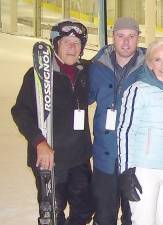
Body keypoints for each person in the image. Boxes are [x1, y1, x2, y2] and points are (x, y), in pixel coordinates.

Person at [11, 19, 93, 225]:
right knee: (53, 215)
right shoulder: (38, 76)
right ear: (56, 44)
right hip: (50, 158)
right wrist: (39, 142)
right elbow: (20, 111)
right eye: (66, 42)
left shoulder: (86, 72)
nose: (72, 47)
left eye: (77, 43)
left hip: (79, 157)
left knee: (85, 209)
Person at [117, 39, 163, 225]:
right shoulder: (138, 90)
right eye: (157, 60)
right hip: (144, 170)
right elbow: (125, 131)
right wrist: (126, 171)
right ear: (149, 63)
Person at [89, 17, 146, 225]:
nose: (126, 42)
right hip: (105, 155)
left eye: (131, 36)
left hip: (136, 157)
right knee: (104, 215)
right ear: (112, 37)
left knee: (133, 215)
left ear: (138, 38)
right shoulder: (97, 67)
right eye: (120, 36)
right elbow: (80, 97)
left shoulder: (148, 67)